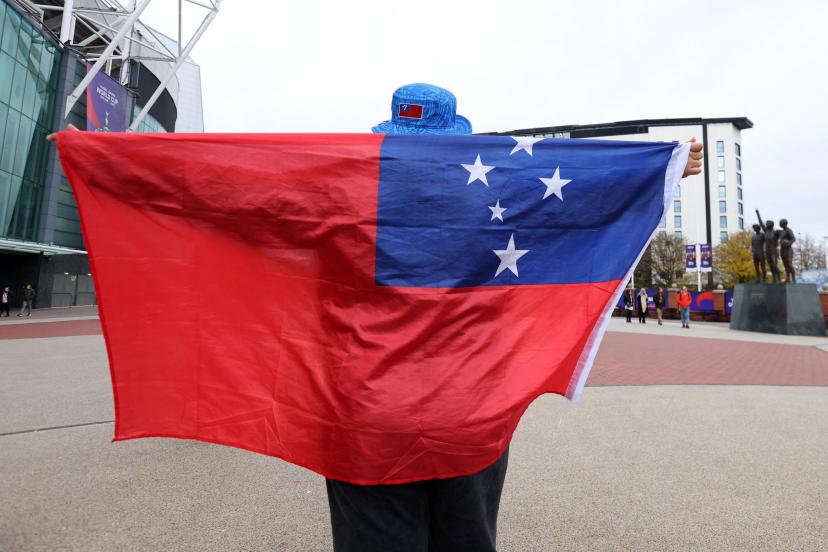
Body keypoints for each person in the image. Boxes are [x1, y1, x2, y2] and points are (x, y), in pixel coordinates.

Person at [48, 85, 704, 552]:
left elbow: (222, 188)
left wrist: (103, 158)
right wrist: (667, 167)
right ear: (457, 136)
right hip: (472, 415)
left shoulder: (337, 187)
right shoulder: (503, 195)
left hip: (367, 417)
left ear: (390, 130)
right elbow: (594, 195)